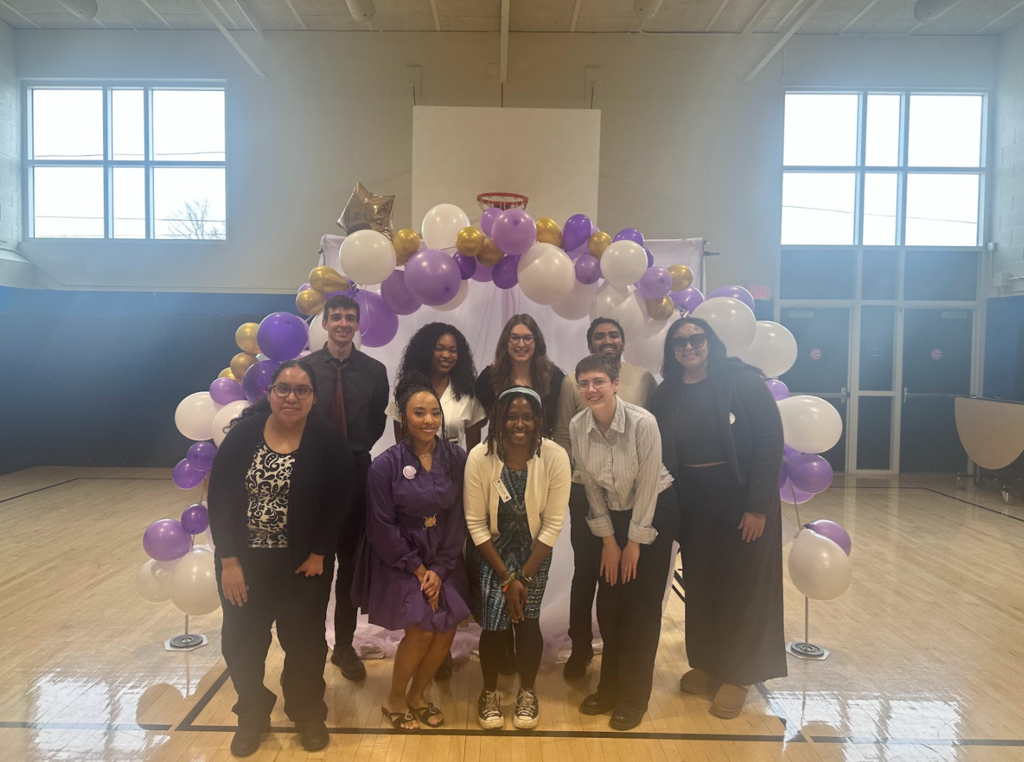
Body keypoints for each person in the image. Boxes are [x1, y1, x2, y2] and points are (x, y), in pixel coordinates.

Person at [208, 360, 355, 757]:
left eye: (302, 390)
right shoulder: (242, 438)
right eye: (284, 389)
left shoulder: (327, 440)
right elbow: (219, 500)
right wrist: (229, 562)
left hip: (303, 567)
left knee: (305, 645)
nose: (292, 397)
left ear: (313, 398)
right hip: (245, 566)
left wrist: (321, 551)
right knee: (241, 643)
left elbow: (340, 500)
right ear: (270, 392)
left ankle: (308, 714)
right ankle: (252, 715)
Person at [650, 316, 787, 719]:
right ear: (671, 351)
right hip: (693, 502)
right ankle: (710, 662)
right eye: (679, 342)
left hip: (741, 500)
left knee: (742, 587)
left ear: (710, 342)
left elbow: (769, 441)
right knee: (703, 584)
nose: (688, 347)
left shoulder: (742, 381)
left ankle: (740, 674)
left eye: (696, 339)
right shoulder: (668, 392)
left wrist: (758, 506)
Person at [352, 373, 471, 731]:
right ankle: (393, 700)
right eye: (419, 413)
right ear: (403, 418)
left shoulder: (456, 458)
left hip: (444, 556)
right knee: (421, 629)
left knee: (447, 627)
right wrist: (419, 570)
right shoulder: (385, 465)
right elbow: (380, 525)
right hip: (400, 558)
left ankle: (419, 695)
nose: (429, 420)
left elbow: (459, 515)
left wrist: (442, 566)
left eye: (435, 412)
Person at [569, 355, 677, 731]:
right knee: (610, 604)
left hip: (653, 512)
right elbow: (592, 491)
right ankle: (609, 687)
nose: (591, 389)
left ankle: (634, 697)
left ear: (616, 383)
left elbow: (648, 487)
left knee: (640, 609)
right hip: (612, 517)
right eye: (584, 383)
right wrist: (610, 543)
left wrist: (634, 544)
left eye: (598, 381)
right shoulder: (578, 426)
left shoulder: (643, 423)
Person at [552, 317, 658, 678]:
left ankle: (621, 652)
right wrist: (569, 482)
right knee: (586, 572)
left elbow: (651, 438)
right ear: (589, 343)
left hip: (632, 495)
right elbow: (564, 434)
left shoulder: (643, 379)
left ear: (624, 342)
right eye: (599, 336)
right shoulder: (572, 382)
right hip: (586, 489)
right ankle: (579, 648)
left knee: (627, 575)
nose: (607, 340)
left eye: (614, 334)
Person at [463, 387, 571, 730]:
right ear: (499, 419)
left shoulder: (555, 457)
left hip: (533, 553)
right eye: (511, 416)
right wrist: (505, 578)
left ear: (538, 420)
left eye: (527, 417)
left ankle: (527, 691)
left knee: (527, 620)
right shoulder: (480, 457)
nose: (519, 424)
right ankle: (489, 692)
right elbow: (476, 524)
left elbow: (553, 524)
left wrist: (521, 578)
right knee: (494, 623)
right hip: (491, 552)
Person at [302, 293, 389, 681]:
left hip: (355, 475)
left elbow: (375, 424)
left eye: (349, 317)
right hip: (311, 476)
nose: (342, 323)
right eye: (335, 317)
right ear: (323, 323)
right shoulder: (302, 369)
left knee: (350, 567)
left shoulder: (374, 371)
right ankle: (310, 645)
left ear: (357, 325)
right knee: (312, 566)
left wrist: (351, 452)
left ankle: (344, 647)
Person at [387, 322, 486, 451]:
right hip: (414, 468)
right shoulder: (406, 391)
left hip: (454, 469)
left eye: (452, 350)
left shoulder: (467, 395)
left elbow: (473, 451)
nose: (446, 355)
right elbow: (400, 447)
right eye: (439, 348)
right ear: (426, 351)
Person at [475, 314, 565, 438]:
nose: (521, 344)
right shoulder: (489, 378)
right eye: (514, 338)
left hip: (543, 452)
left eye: (528, 338)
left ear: (537, 342)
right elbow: (476, 422)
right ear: (505, 341)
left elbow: (561, 426)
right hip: (500, 451)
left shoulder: (554, 378)